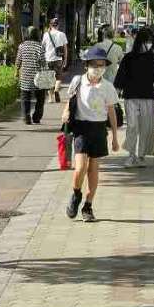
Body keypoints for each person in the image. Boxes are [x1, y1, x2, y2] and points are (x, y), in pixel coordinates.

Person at [62, 47, 120, 223]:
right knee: (80, 167)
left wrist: (115, 138)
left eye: (102, 65)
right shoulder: (78, 81)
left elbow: (111, 113)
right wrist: (65, 112)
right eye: (94, 65)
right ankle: (76, 194)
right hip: (81, 128)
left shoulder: (107, 87)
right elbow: (70, 100)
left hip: (99, 129)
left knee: (93, 169)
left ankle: (88, 206)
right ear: (87, 65)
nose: (98, 68)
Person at [114, 28, 154, 168]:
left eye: (151, 42)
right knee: (132, 126)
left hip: (148, 97)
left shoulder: (152, 57)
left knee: (146, 127)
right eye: (147, 41)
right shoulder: (128, 58)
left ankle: (141, 156)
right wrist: (114, 96)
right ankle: (131, 155)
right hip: (130, 97)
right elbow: (120, 77)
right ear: (140, 41)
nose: (149, 44)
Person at [15, 26, 47, 125]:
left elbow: (18, 60)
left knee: (25, 97)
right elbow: (43, 62)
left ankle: (26, 117)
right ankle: (37, 117)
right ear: (37, 34)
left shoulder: (22, 46)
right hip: (38, 76)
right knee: (40, 98)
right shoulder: (40, 46)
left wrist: (16, 71)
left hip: (25, 75)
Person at [42, 17, 68, 103]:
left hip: (48, 59)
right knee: (59, 77)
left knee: (49, 79)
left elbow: (43, 47)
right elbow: (65, 48)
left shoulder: (46, 35)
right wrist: (65, 59)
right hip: (58, 59)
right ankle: (56, 90)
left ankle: (50, 98)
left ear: (50, 25)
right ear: (58, 25)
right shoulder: (62, 34)